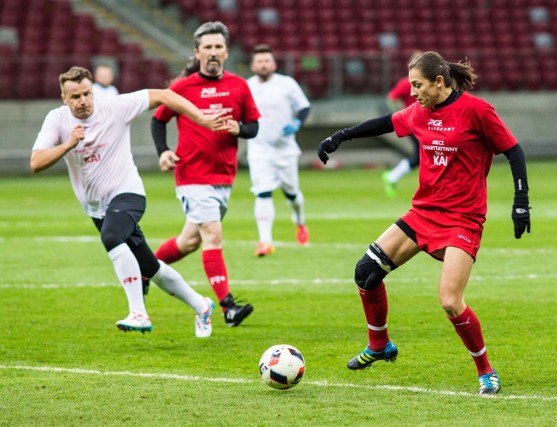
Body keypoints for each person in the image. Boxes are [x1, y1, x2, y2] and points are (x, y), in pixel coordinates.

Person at [317, 51, 531, 395]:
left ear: (439, 82)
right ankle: (379, 345)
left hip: (463, 218)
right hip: (423, 214)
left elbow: (514, 151)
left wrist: (521, 202)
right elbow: (386, 122)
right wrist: (340, 136)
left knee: (450, 301)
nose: (412, 92)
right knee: (366, 273)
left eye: (417, 85)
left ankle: (485, 370)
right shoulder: (420, 112)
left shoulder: (477, 110)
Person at [30, 66, 226, 337]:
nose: (83, 100)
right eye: (75, 97)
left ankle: (138, 312)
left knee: (112, 236)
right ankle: (201, 305)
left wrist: (201, 118)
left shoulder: (116, 107)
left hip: (128, 193)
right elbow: (36, 162)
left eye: (87, 93)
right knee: (150, 267)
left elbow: (165, 96)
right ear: (64, 98)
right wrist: (67, 145)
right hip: (97, 208)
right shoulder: (57, 120)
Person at [150, 21, 260, 327]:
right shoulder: (182, 88)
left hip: (224, 177)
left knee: (189, 242)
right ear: (197, 52)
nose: (213, 52)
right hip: (191, 175)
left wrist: (239, 128)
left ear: (226, 52)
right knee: (212, 234)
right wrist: (163, 151)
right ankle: (227, 307)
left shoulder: (239, 85)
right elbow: (158, 120)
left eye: (218, 47)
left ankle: (147, 269)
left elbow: (253, 126)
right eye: (207, 47)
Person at [246, 44, 311, 256]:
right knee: (262, 192)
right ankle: (265, 241)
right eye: (259, 61)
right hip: (259, 149)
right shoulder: (246, 87)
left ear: (273, 63)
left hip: (285, 150)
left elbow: (304, 107)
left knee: (291, 193)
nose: (263, 64)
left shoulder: (286, 84)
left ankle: (300, 222)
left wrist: (297, 124)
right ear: (253, 65)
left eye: (267, 60)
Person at [381, 51, 421, 198]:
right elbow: (391, 98)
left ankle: (392, 176)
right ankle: (392, 176)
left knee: (421, 156)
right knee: (424, 155)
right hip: (415, 125)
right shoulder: (407, 83)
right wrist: (402, 115)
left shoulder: (422, 82)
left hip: (424, 124)